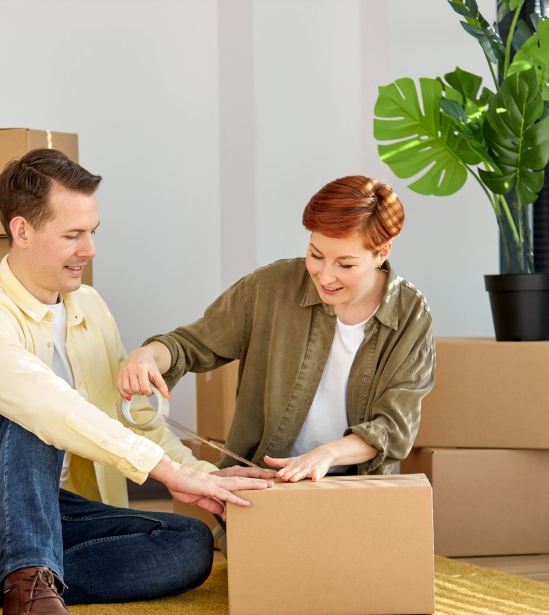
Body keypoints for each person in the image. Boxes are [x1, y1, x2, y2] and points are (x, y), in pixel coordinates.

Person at [0, 148, 272, 615]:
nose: (90, 249)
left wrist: (194, 472)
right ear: (22, 230)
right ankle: (27, 589)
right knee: (32, 415)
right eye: (73, 235)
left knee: (188, 545)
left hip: (35, 508)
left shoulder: (89, 307)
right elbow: (48, 406)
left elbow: (127, 417)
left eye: (93, 231)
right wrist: (164, 471)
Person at [118, 175, 435, 483]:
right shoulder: (270, 287)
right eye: (316, 255)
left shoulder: (410, 314)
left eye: (346, 265)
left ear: (382, 252)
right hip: (264, 483)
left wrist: (326, 455)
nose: (325, 276)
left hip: (357, 491)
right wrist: (148, 356)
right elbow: (190, 345)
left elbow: (394, 428)